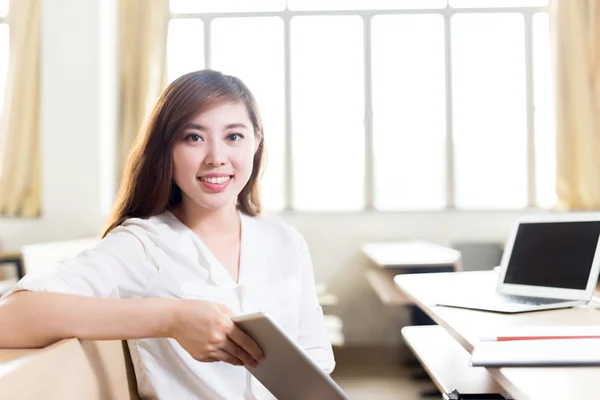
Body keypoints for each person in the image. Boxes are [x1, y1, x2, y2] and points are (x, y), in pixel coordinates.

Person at [0, 69, 335, 399]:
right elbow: (9, 318)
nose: (216, 158)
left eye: (233, 136)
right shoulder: (145, 245)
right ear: (167, 151)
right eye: (194, 137)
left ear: (256, 142)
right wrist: (171, 318)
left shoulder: (285, 241)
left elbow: (315, 359)